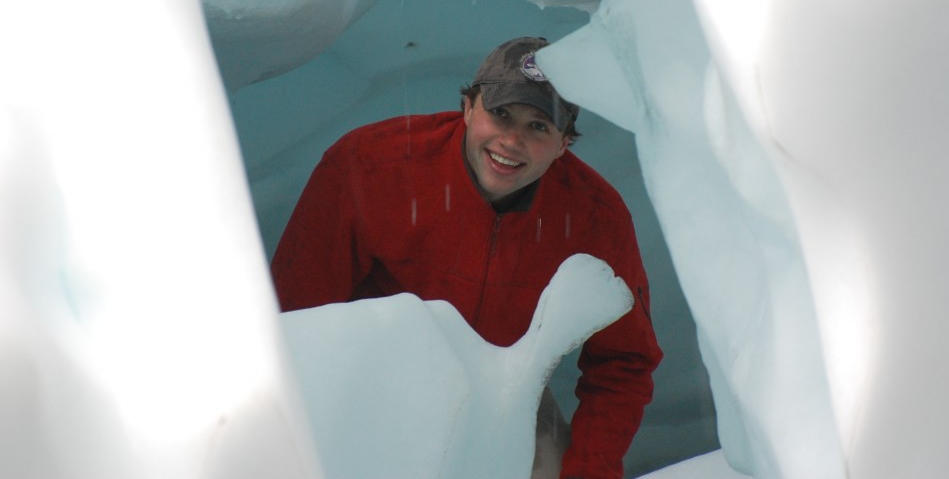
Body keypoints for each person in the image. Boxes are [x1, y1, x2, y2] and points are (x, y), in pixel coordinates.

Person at [271, 37, 663, 479]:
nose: (511, 140)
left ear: (564, 144)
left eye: (539, 126)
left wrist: (588, 470)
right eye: (500, 113)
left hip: (509, 393)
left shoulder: (597, 218)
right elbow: (295, 320)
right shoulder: (369, 165)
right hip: (370, 382)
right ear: (468, 108)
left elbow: (624, 362)